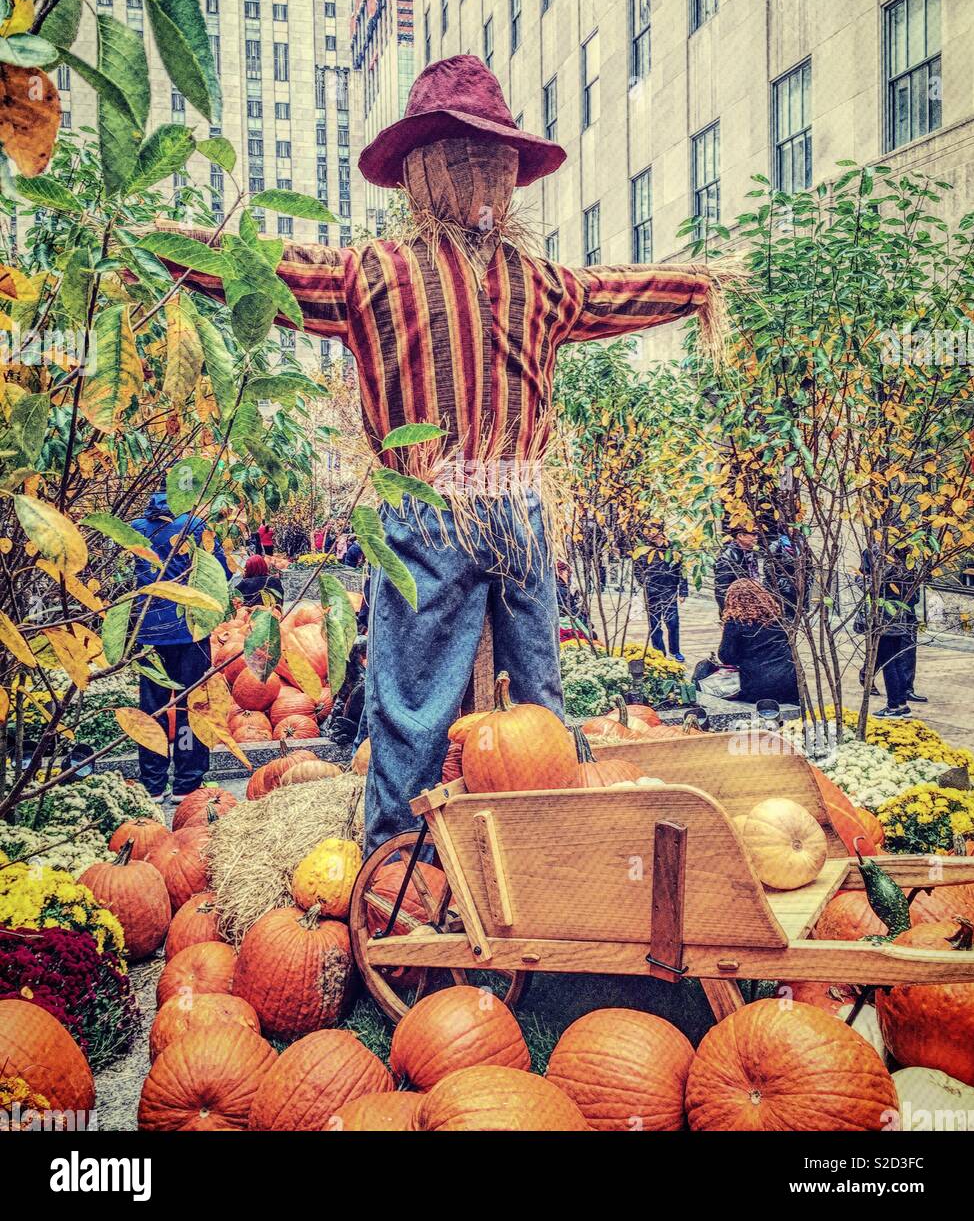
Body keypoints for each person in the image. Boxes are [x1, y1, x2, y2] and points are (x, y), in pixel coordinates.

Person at [158, 53, 727, 854]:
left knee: (473, 694)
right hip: (472, 508)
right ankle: (448, 855)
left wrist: (161, 245)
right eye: (464, 160)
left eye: (487, 161)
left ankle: (454, 854)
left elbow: (270, 271)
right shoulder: (422, 275)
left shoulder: (439, 275)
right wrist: (699, 284)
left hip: (471, 510)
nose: (478, 176)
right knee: (484, 692)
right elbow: (268, 268)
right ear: (426, 174)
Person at [128, 487, 232, 803]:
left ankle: (153, 784)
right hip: (190, 631)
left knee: (153, 709)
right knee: (191, 707)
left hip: (149, 634)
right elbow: (220, 572)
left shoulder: (134, 529)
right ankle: (186, 784)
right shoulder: (194, 525)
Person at [858, 547, 926, 717]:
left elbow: (869, 587)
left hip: (883, 620)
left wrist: (859, 579)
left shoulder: (882, 562)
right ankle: (902, 704)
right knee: (897, 663)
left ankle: (893, 706)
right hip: (900, 617)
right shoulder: (905, 564)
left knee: (889, 664)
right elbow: (913, 596)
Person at [717, 579, 799, 705]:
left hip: (757, 685)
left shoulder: (735, 623)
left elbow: (726, 657)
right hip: (788, 681)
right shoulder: (776, 617)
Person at [633, 522, 687, 661]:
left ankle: (675, 651)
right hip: (651, 590)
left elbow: (682, 569)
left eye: (654, 530)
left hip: (670, 589)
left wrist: (683, 591)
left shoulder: (673, 548)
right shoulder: (643, 549)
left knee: (673, 622)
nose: (651, 533)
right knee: (654, 623)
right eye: (648, 531)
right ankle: (659, 652)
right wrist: (644, 582)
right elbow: (637, 568)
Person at [714, 526, 760, 616]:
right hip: (736, 609)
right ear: (740, 536)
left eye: (756, 534)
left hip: (751, 605)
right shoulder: (727, 558)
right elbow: (721, 589)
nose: (756, 537)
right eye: (753, 534)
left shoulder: (750, 554)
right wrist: (728, 613)